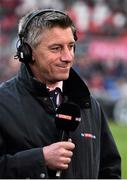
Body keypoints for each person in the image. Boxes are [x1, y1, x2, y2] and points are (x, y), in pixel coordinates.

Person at [0, 9, 121, 179]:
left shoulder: (88, 104)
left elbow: (110, 170)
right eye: (56, 48)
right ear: (28, 52)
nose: (68, 57)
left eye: (71, 46)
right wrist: (39, 159)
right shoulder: (3, 103)